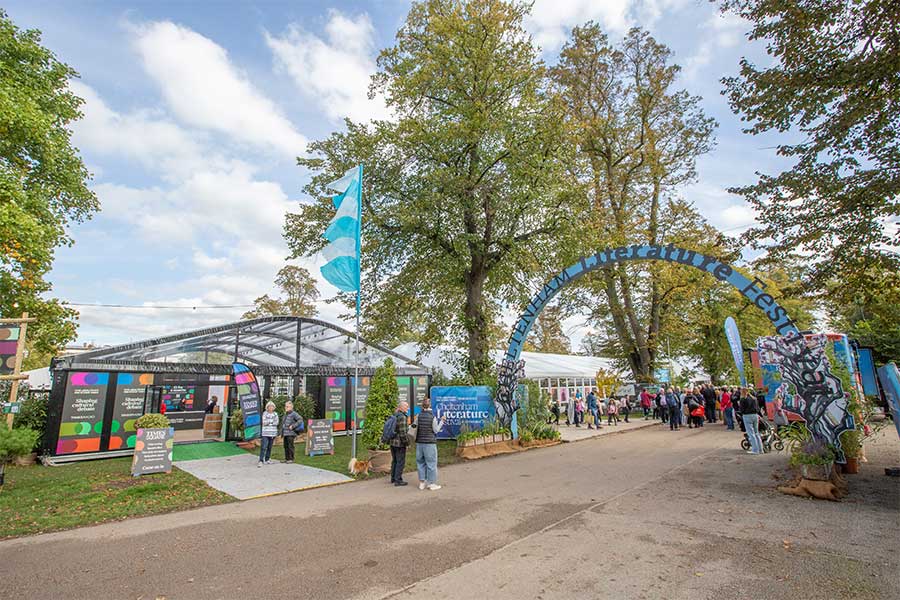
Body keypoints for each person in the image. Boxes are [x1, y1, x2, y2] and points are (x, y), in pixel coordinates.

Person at [411, 398, 446, 490]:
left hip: (419, 443)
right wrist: (442, 421)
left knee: (420, 462)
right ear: (430, 405)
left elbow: (413, 427)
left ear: (422, 405)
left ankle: (422, 483)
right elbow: (436, 430)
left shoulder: (418, 416)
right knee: (431, 464)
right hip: (430, 443)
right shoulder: (432, 417)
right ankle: (432, 484)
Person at [389, 400, 411, 486]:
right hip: (399, 443)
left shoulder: (395, 415)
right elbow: (403, 433)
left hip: (392, 442)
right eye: (406, 407)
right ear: (401, 408)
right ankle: (398, 480)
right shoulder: (402, 417)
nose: (408, 408)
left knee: (394, 460)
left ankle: (393, 478)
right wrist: (407, 443)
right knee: (400, 461)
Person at [740, 388, 764, 455]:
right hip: (755, 415)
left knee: (751, 433)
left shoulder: (743, 399)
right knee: (756, 433)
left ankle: (755, 449)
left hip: (747, 416)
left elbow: (741, 409)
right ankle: (760, 449)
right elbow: (758, 408)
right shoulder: (754, 399)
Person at [258, 401, 279, 467]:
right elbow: (264, 422)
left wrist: (269, 422)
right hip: (265, 433)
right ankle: (261, 460)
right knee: (264, 447)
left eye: (272, 406)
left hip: (272, 433)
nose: (271, 408)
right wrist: (271, 422)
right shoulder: (265, 413)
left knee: (270, 447)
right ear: (267, 407)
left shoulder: (275, 414)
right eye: (269, 406)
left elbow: (276, 422)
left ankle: (267, 459)